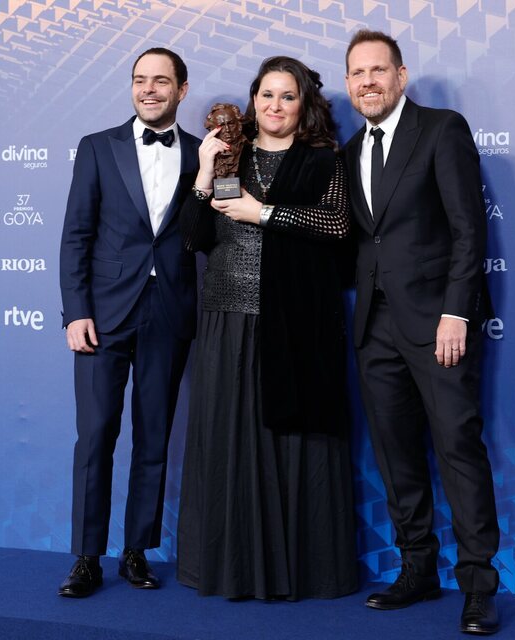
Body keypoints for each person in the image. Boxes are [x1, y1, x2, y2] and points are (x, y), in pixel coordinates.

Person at [177, 56, 357, 601]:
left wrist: (266, 213)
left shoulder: (322, 160)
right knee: (231, 440)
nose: (274, 106)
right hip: (228, 318)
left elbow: (337, 225)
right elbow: (193, 238)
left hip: (297, 322)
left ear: (304, 105)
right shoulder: (231, 155)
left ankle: (303, 572)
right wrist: (205, 174)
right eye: (266, 95)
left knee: (296, 440)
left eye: (287, 96)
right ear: (252, 100)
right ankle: (232, 568)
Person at [342, 30, 501, 634]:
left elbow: (469, 230)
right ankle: (417, 567)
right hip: (373, 326)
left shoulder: (441, 129)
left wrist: (457, 312)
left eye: (378, 70)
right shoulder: (352, 148)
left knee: (458, 449)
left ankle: (479, 585)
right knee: (396, 454)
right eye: (357, 74)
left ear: (401, 76)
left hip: (439, 326)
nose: (368, 82)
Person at [57, 47, 200, 598]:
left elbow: (206, 230)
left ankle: (136, 551)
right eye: (140, 80)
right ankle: (86, 558)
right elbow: (76, 235)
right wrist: (76, 312)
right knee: (95, 437)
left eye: (161, 82)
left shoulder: (199, 154)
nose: (148, 90)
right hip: (104, 316)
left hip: (169, 313)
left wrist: (213, 172)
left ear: (181, 90)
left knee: (154, 437)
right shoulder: (97, 148)